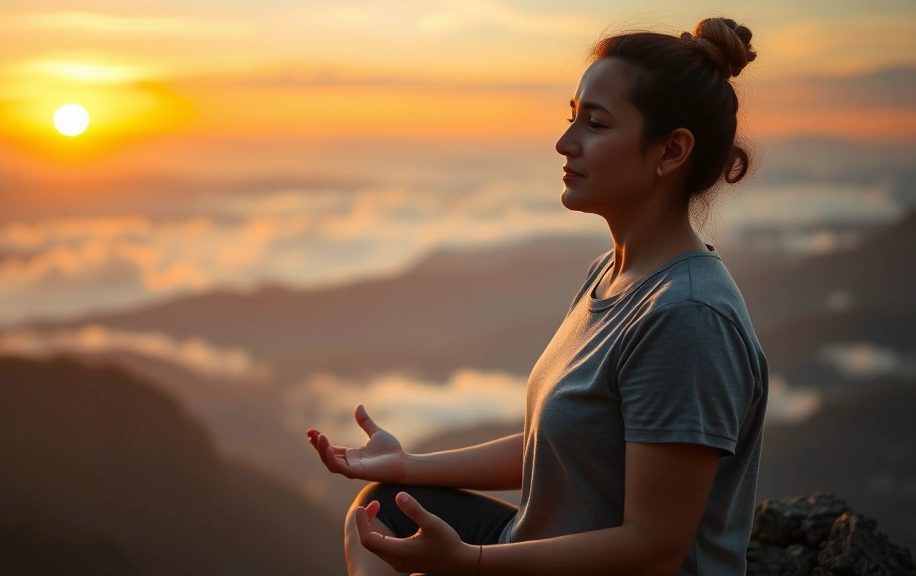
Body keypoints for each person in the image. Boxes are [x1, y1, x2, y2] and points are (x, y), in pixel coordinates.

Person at [306, 16, 768, 576]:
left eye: (594, 124)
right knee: (379, 510)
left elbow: (655, 547)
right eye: (571, 117)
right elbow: (559, 450)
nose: (563, 142)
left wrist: (472, 562)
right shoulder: (613, 274)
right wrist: (407, 467)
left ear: (670, 151)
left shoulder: (687, 316)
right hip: (542, 543)